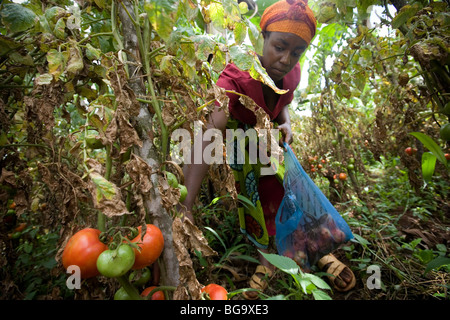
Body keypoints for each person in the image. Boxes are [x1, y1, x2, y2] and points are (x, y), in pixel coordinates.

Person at [180, 0, 355, 299]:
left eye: (296, 52)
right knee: (258, 204)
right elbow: (208, 136)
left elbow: (283, 103)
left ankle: (317, 251)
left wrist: (287, 124)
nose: (286, 59)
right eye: (279, 46)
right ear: (262, 37)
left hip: (274, 145)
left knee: (292, 193)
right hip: (242, 150)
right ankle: (268, 262)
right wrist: (186, 205)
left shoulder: (293, 73)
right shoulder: (236, 77)